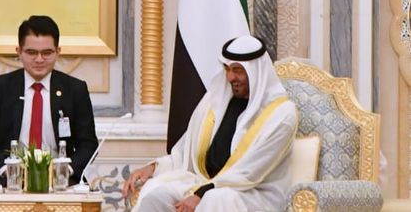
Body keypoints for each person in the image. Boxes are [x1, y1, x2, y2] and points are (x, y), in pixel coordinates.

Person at [123, 35, 298, 212]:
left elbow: (250, 172)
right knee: (156, 196)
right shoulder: (215, 101)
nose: (230, 77)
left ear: (256, 72)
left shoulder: (281, 114)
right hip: (204, 183)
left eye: (238, 70)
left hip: (253, 194)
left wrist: (201, 194)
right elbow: (185, 154)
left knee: (214, 200)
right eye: (227, 69)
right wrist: (153, 168)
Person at [0, 15, 98, 188]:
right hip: (7, 180)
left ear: (58, 52)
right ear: (19, 52)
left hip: (62, 182)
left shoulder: (75, 89)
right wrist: (7, 170)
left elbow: (88, 144)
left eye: (47, 53)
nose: (39, 59)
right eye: (31, 52)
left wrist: (65, 170)